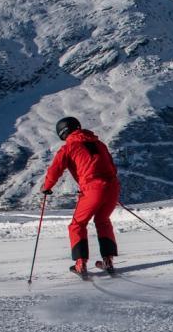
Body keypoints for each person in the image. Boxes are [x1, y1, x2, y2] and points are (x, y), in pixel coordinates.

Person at [42, 116, 121, 276]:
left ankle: (80, 264)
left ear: (63, 133)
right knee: (103, 221)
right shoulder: (99, 144)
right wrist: (106, 188)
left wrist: (46, 188)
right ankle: (108, 261)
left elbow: (55, 170)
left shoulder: (69, 148)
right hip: (112, 187)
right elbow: (112, 167)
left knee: (77, 225)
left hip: (93, 189)